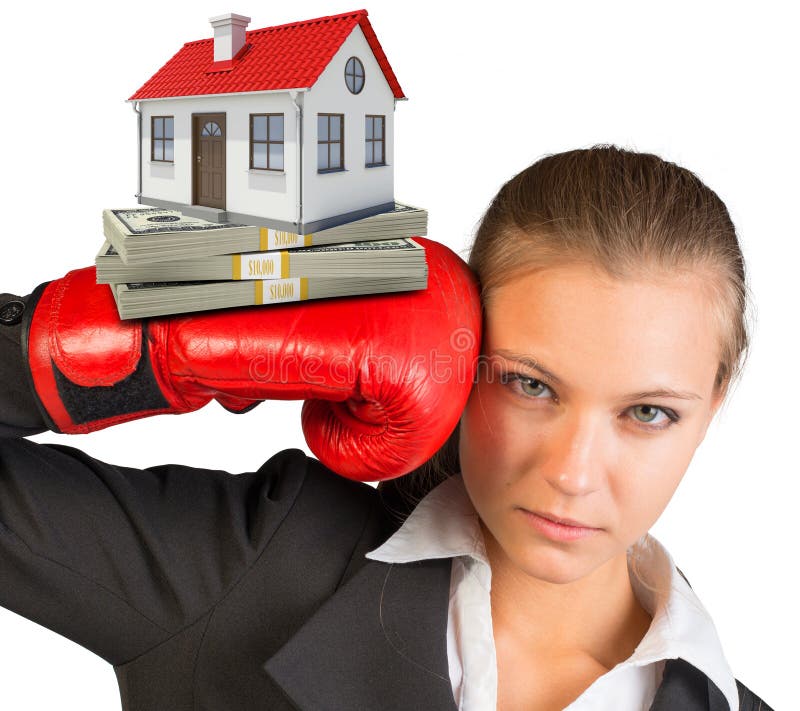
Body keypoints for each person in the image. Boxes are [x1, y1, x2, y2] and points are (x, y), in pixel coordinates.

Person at [0, 145, 772, 710]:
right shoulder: (253, 569)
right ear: (459, 352)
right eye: (530, 384)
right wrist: (149, 341)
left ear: (714, 400)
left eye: (647, 413)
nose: (572, 472)